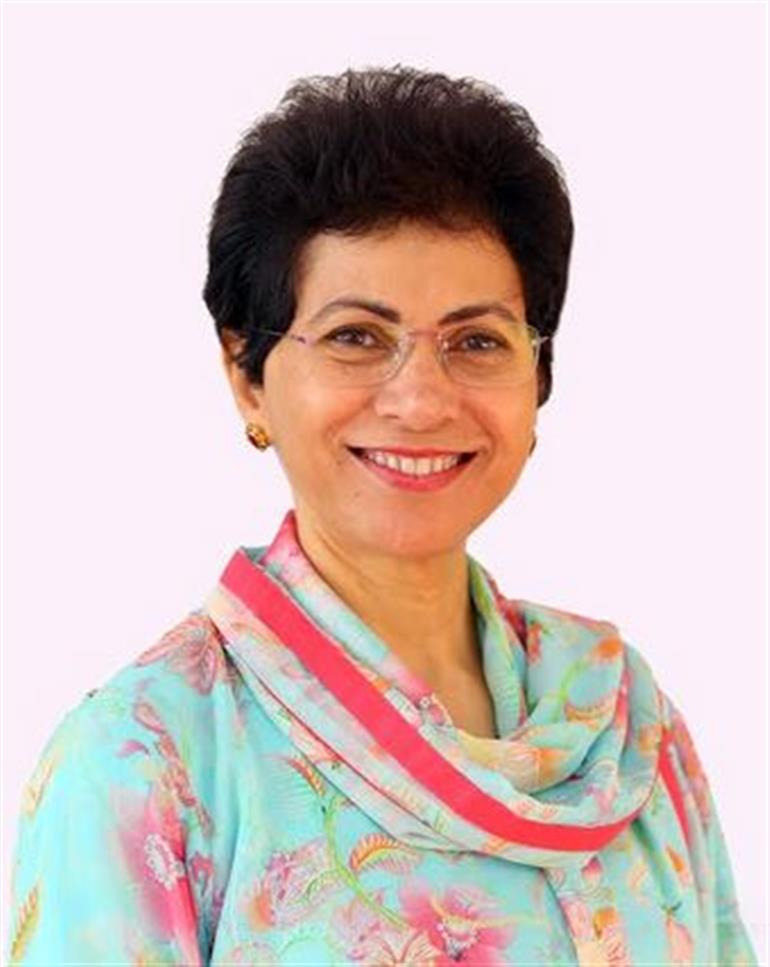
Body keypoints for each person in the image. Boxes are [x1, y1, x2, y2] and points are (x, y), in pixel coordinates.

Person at [6, 66, 756, 967]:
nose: (421, 399)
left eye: (476, 340)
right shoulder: (150, 761)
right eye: (356, 336)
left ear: (538, 376)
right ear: (247, 374)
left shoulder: (624, 718)